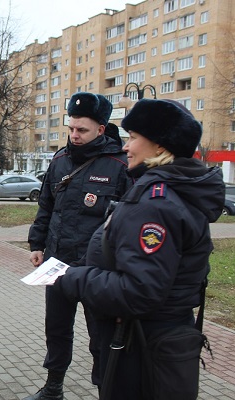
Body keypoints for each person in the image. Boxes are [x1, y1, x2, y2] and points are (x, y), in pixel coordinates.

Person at [54, 99, 225, 399]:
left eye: (133, 138)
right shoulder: (168, 192)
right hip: (154, 342)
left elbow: (139, 290)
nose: (126, 147)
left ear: (160, 147)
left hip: (142, 347)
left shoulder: (156, 203)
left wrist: (71, 277)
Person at [24, 92, 133, 400]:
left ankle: (107, 390)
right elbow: (45, 206)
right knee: (56, 329)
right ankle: (53, 387)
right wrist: (36, 243)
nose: (75, 135)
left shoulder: (119, 165)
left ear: (101, 129)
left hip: (96, 270)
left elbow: (129, 222)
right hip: (57, 263)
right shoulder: (59, 161)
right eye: (71, 128)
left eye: (82, 130)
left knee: (101, 336)